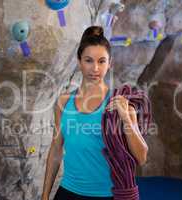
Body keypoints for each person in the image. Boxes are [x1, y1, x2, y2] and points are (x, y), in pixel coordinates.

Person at [41, 26, 148, 200]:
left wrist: (127, 119)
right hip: (68, 191)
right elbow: (55, 151)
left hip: (107, 194)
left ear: (110, 63)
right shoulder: (63, 102)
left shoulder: (118, 104)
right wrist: (45, 195)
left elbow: (141, 157)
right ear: (79, 61)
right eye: (89, 60)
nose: (95, 68)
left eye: (102, 61)